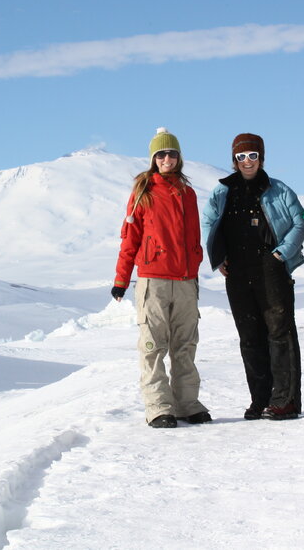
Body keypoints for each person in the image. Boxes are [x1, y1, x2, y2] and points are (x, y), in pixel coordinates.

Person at [202, 133, 304, 421]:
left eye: (252, 156)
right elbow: (209, 222)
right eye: (241, 157)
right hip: (237, 271)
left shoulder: (278, 189)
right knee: (249, 337)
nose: (247, 161)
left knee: (279, 333)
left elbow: (300, 222)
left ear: (261, 158)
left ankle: (285, 401)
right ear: (234, 161)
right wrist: (219, 257)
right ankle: (260, 399)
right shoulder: (222, 191)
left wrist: (280, 254)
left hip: (271, 267)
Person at [112, 127, 210, 429]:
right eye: (161, 154)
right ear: (154, 158)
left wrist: (194, 262)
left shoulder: (188, 192)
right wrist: (121, 278)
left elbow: (194, 235)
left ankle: (187, 404)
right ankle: (158, 407)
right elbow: (130, 238)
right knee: (153, 346)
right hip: (153, 280)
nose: (167, 158)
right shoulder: (143, 191)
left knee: (185, 345)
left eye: (172, 153)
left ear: (179, 157)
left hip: (185, 280)